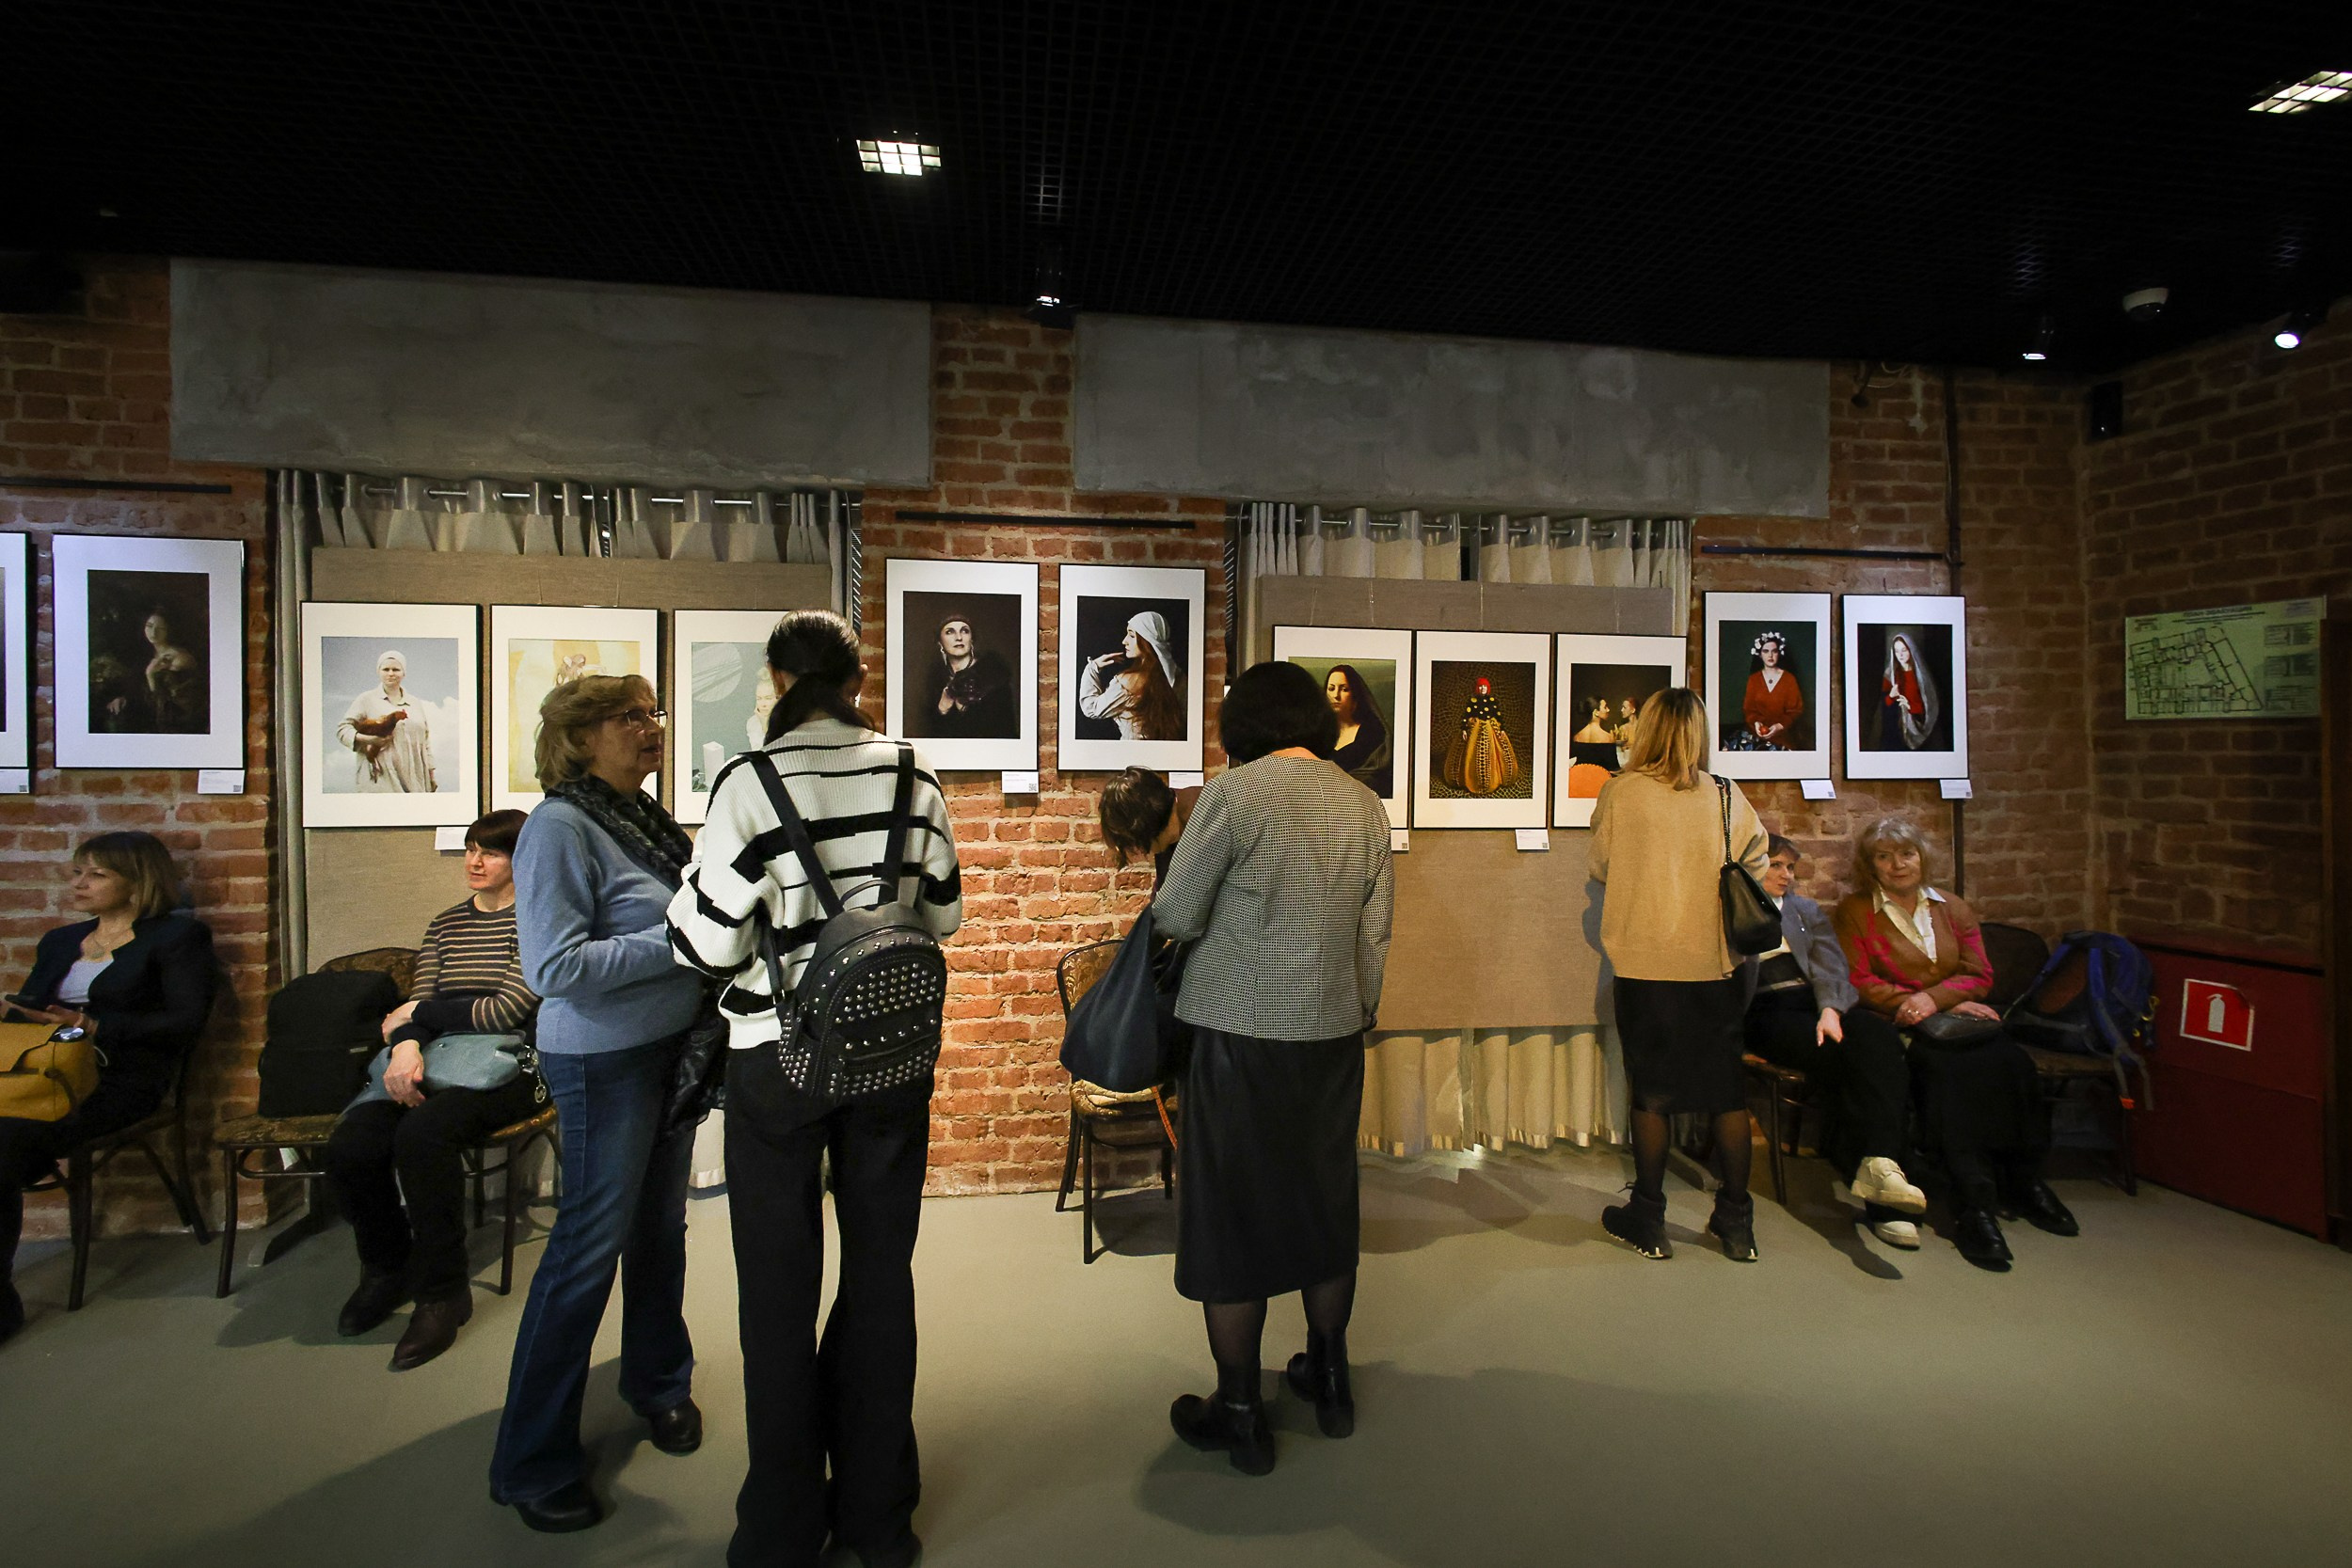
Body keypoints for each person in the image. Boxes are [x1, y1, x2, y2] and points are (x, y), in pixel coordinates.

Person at [668, 610, 962, 1568]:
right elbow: (944, 917)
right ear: (856, 679)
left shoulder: (749, 780)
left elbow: (707, 944)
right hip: (890, 1057)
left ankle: (783, 1528)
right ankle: (879, 1516)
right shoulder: (913, 770)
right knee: (881, 1278)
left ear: (778, 678)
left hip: (775, 1061)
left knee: (777, 1293)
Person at [1150, 660, 1393, 1477]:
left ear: (1243, 723)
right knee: (1324, 1204)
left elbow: (1177, 912)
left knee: (1231, 1217)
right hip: (1330, 1036)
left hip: (1236, 1034)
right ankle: (1330, 1381)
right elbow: (1374, 933)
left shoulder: (1234, 794)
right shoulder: (1363, 804)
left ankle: (1241, 1413)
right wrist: (1354, 1009)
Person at [488, 675, 707, 1533]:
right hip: (602, 1062)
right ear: (580, 738)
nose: (650, 726)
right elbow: (555, 968)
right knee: (586, 1251)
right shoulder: (558, 826)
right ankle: (532, 1460)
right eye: (628, 716)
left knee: (659, 1232)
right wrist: (681, 940)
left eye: (653, 712)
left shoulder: (643, 818)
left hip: (668, 1050)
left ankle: (658, 1383)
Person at [322, 810, 541, 1368]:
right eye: (471, 848)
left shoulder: (536, 920)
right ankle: (387, 1266)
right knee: (352, 1143)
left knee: (423, 1135)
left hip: (510, 1066)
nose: (474, 861)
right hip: (433, 1057)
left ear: (522, 859)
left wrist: (418, 1015)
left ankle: (442, 1292)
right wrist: (406, 1047)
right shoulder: (444, 925)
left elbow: (506, 1012)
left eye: (491, 851)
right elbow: (413, 1006)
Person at [0, 832, 215, 1344]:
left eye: (97, 875)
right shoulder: (60, 941)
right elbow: (30, 1012)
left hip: (122, 1078)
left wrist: (92, 1025)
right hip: (47, 1073)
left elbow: (186, 1022)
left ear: (138, 883)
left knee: (5, 1143)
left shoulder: (176, 938)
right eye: (78, 872)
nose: (80, 884)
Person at [1834, 818, 2076, 1273]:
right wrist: (1918, 1004)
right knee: (1949, 1076)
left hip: (1956, 1021)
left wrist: (1938, 999)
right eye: (1884, 857)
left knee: (2012, 1064)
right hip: (1899, 1024)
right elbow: (1857, 979)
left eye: (1906, 854)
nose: (1897, 865)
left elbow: (1979, 973)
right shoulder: (1855, 911)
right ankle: (1973, 1204)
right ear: (1870, 865)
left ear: (1922, 857)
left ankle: (2024, 1180)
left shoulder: (1952, 907)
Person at [1589, 688, 1770, 1262]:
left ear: (1646, 730)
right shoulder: (1724, 794)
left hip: (1645, 964)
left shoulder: (1621, 792)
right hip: (1713, 964)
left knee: (1652, 1093)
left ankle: (1649, 1218)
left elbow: (1600, 865)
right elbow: (1757, 862)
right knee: (1726, 1095)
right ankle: (1736, 1225)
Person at [1743, 834, 1928, 1249]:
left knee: (1879, 1038)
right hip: (1767, 1011)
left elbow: (1831, 967)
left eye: (1791, 867)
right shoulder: (1734, 907)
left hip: (1817, 1004)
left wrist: (1830, 1009)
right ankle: (1886, 1201)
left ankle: (1880, 1166)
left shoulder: (1804, 910)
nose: (1787, 876)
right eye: (1776, 865)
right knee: (1859, 1063)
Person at [335, 649, 437, 793]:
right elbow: (342, 730)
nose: (391, 673)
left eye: (396, 669)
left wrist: (431, 776)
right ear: (378, 671)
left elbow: (425, 742)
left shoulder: (415, 703)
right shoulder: (366, 699)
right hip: (381, 779)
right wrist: (370, 740)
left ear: (404, 673)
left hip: (415, 779)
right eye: (386, 669)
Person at [1077, 611, 1184, 740]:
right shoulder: (1177, 677)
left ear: (1147, 640)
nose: (1124, 641)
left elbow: (1092, 709)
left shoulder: (1129, 682)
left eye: (1132, 635)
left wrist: (1092, 668)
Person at [915, 613, 1015, 738]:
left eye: (965, 631)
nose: (959, 637)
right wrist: (942, 710)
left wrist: (968, 710)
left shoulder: (994, 677)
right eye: (950, 632)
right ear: (940, 642)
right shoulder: (936, 682)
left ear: (971, 639)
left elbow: (1004, 731)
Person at [1098, 766, 1198, 883]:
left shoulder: (1203, 817)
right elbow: (1164, 888)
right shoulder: (1166, 837)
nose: (1140, 849)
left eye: (1136, 841)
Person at [1322, 664, 1392, 797]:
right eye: (1331, 689)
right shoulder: (1318, 734)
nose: (1336, 695)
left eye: (1344, 689)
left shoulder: (1372, 734)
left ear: (1355, 696)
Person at [141, 609, 205, 732]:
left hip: (175, 721)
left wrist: (150, 675)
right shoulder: (148, 655)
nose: (153, 632)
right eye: (149, 626)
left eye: (160, 628)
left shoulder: (180, 659)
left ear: (169, 630)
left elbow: (172, 706)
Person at [1875, 632, 1942, 751]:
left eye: (1904, 650)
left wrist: (1910, 707)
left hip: (1916, 729)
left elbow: (1930, 708)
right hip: (1895, 731)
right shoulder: (1889, 675)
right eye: (1897, 651)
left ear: (1911, 650)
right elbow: (1884, 707)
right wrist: (1891, 696)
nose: (1900, 655)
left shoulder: (1921, 677)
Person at [1740, 630, 1804, 750]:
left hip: (1783, 736)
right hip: (1757, 734)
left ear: (1779, 653)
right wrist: (1756, 723)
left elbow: (1796, 711)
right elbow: (1749, 710)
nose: (1770, 655)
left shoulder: (1789, 679)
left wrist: (1779, 726)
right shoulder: (1754, 679)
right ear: (1760, 654)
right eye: (1766, 651)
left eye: (1774, 651)